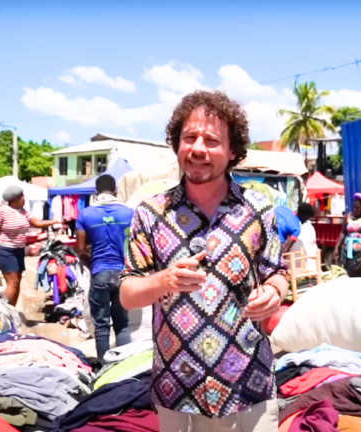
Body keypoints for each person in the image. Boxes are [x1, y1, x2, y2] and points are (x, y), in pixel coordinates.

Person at [120, 90, 288, 432]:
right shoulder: (150, 214)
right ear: (176, 144)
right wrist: (163, 281)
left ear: (233, 151)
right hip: (177, 389)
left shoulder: (258, 211)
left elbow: (278, 274)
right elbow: (127, 293)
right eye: (189, 138)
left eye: (212, 140)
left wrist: (274, 292)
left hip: (248, 385)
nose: (198, 149)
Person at [75, 174, 134, 361]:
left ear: (96, 192)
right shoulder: (129, 213)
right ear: (116, 191)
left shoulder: (85, 214)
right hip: (123, 275)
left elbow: (80, 250)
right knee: (122, 324)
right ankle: (124, 368)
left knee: (101, 326)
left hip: (100, 273)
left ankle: (103, 368)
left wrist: (93, 267)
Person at [0, 186, 59, 306]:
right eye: (22, 196)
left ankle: (11, 312)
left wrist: (55, 221)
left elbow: (37, 223)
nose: (24, 198)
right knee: (12, 283)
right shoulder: (1, 211)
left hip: (18, 251)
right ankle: (1, 312)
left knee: (17, 283)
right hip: (4, 250)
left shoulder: (23, 211)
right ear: (15, 199)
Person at [293, 203, 318, 268]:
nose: (308, 219)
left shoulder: (305, 226)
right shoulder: (307, 227)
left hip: (300, 267)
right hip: (310, 267)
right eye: (308, 217)